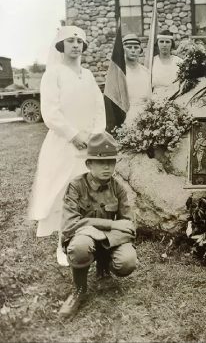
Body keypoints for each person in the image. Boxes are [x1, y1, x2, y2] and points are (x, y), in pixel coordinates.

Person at [28, 26, 106, 267]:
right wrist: (74, 135)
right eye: (70, 41)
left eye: (79, 41)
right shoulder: (54, 74)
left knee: (89, 194)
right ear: (61, 46)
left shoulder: (89, 75)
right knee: (65, 194)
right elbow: (50, 112)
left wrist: (94, 134)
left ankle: (87, 241)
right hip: (63, 144)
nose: (75, 45)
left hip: (88, 145)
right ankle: (63, 244)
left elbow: (98, 106)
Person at [58, 132, 137, 318]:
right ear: (89, 164)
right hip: (83, 239)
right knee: (80, 246)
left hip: (109, 239)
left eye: (111, 162)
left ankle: (103, 268)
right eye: (101, 162)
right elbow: (70, 226)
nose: (107, 167)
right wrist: (110, 224)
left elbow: (130, 225)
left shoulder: (117, 187)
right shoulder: (76, 187)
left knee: (128, 261)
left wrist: (105, 233)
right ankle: (79, 290)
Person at [123, 34, 151, 116]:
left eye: (136, 47)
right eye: (129, 47)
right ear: (123, 50)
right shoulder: (119, 72)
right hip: (125, 116)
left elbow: (149, 98)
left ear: (140, 50)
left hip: (144, 116)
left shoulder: (146, 72)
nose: (133, 50)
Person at [152, 30, 183, 95]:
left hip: (176, 98)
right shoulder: (152, 62)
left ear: (172, 44)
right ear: (157, 44)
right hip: (156, 98)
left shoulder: (179, 61)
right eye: (161, 41)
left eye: (167, 42)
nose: (164, 45)